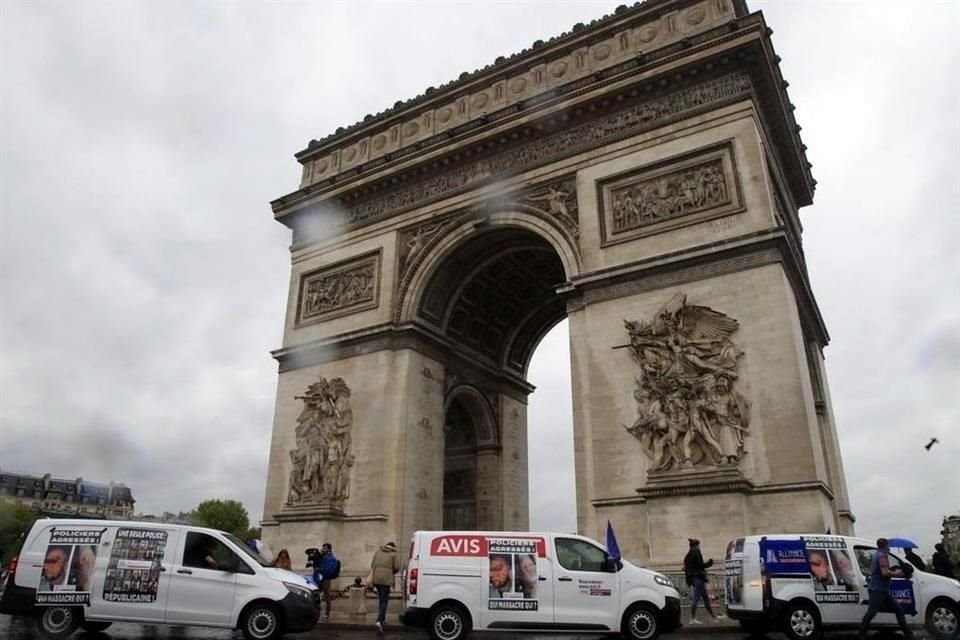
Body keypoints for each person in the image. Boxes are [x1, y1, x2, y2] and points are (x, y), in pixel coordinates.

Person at [859, 538, 914, 640]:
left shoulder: (878, 555)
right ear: (885, 546)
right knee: (872, 612)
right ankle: (861, 634)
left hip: (881, 590)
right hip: (878, 590)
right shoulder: (882, 556)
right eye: (888, 545)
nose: (889, 548)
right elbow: (885, 573)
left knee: (898, 610)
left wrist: (894, 571)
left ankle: (908, 634)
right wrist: (899, 572)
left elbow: (884, 571)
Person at [683, 538, 723, 624]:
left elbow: (686, 568)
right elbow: (700, 565)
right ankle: (692, 618)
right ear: (696, 545)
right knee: (696, 599)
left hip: (693, 579)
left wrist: (689, 580)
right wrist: (710, 563)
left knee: (705, 599)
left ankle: (713, 617)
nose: (699, 547)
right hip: (698, 578)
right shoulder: (696, 552)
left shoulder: (687, 555)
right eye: (699, 545)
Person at [369, 541, 400, 634]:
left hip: (376, 579)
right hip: (386, 580)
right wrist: (390, 572)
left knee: (381, 599)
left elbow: (372, 565)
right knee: (385, 601)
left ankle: (382, 619)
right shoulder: (394, 554)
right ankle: (379, 621)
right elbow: (397, 567)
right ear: (393, 547)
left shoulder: (378, 552)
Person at [314, 543, 338, 621]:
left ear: (329, 549)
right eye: (322, 548)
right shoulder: (322, 557)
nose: (323, 549)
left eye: (324, 548)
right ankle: (316, 612)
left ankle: (327, 614)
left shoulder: (331, 558)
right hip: (319, 578)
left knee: (327, 596)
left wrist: (319, 569)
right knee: (316, 595)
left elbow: (329, 569)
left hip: (326, 579)